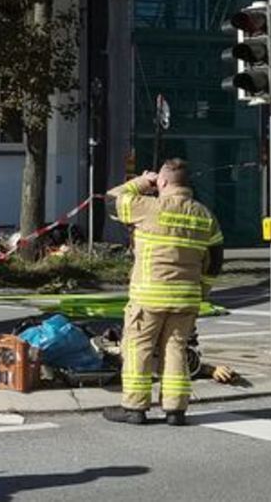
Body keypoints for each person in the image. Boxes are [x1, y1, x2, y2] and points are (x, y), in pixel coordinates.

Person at [102, 159, 224, 426]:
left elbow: (111, 199)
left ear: (164, 182)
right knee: (176, 350)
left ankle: (134, 407)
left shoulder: (148, 207)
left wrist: (142, 182)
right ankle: (176, 410)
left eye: (159, 182)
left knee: (138, 348)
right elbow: (215, 259)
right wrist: (202, 291)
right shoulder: (205, 216)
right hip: (187, 298)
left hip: (149, 296)